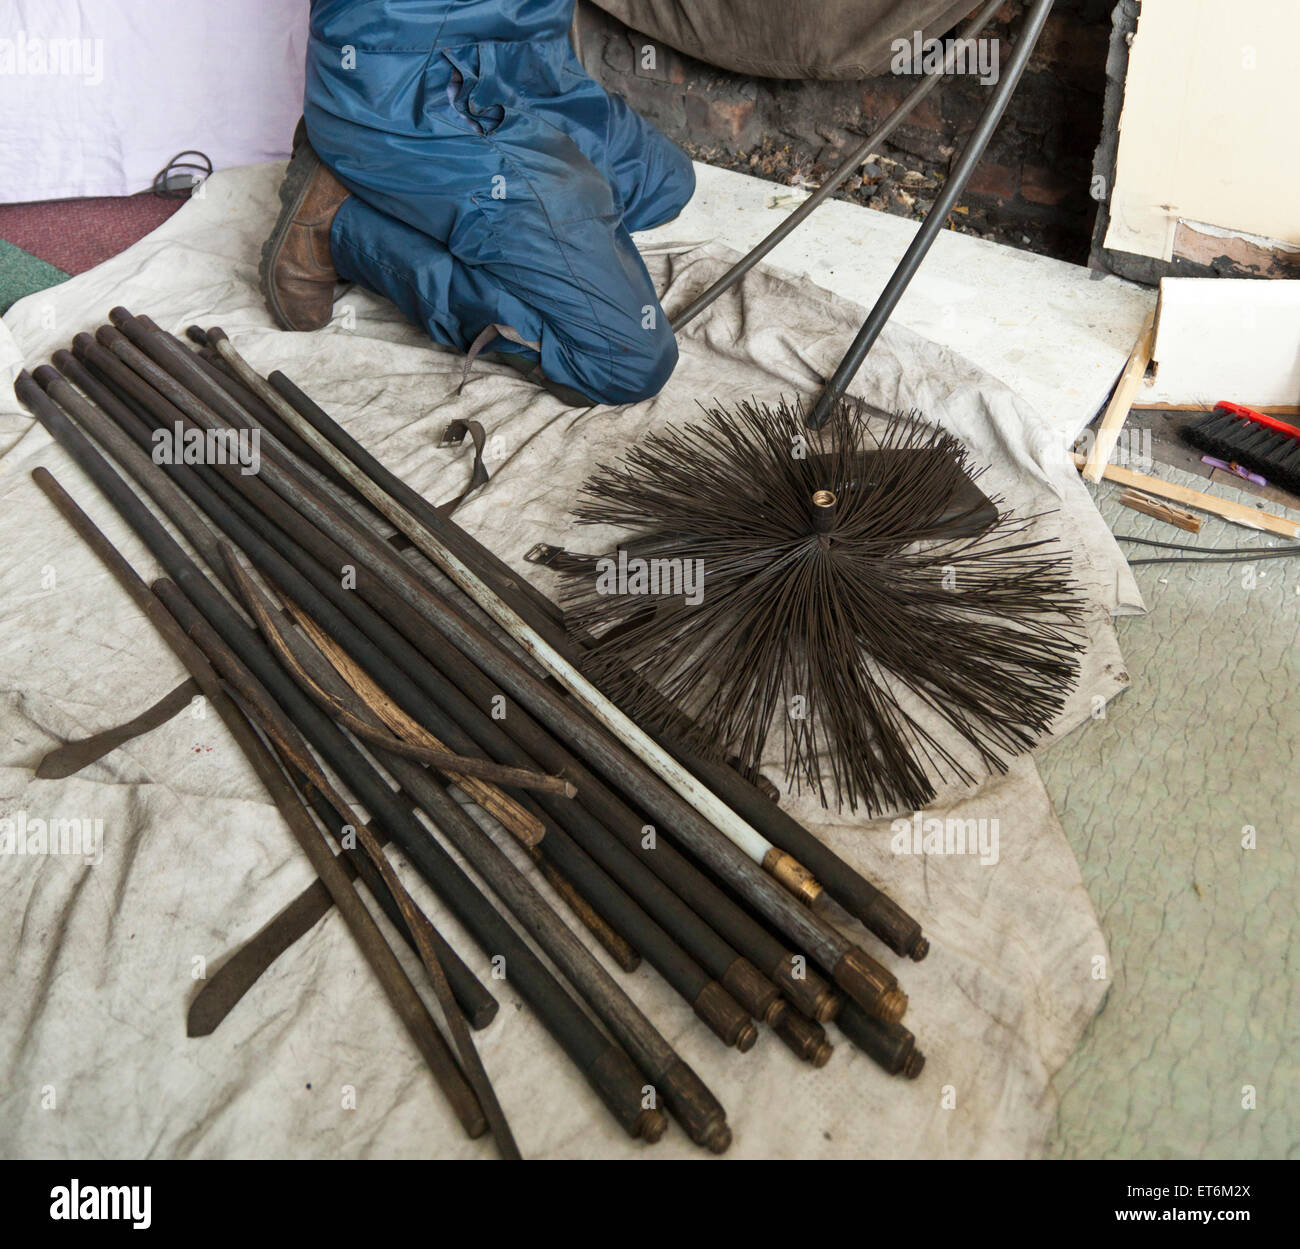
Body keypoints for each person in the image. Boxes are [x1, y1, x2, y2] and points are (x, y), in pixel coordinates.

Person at [261, 0, 695, 406]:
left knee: (662, 181)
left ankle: (438, 212)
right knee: (626, 364)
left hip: (526, 59)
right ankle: (344, 227)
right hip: (416, 85)